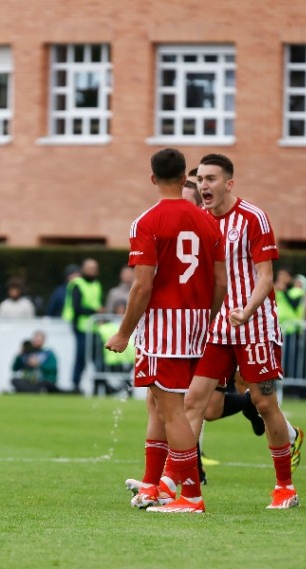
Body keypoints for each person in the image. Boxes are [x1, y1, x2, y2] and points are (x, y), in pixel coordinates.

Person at [178, 153, 301, 510]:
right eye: (200, 179)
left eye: (211, 179)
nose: (204, 186)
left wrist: (247, 311)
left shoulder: (253, 218)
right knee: (196, 402)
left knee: (264, 402)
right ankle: (186, 491)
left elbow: (266, 276)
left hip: (255, 324)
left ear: (228, 184)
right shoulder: (199, 219)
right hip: (217, 327)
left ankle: (285, 488)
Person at [107, 147, 224, 514]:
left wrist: (124, 333)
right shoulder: (207, 221)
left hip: (164, 324)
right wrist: (206, 317)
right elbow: (220, 281)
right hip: (194, 322)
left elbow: (142, 286)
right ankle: (152, 487)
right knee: (159, 406)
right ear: (184, 178)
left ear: (153, 178)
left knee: (172, 410)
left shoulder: (147, 222)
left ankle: (190, 496)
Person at [63, 258, 103, 393]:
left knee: (97, 357)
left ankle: (99, 385)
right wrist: (95, 312)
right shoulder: (77, 284)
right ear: (83, 269)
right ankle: (75, 384)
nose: (92, 270)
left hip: (94, 327)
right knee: (81, 357)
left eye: (94, 268)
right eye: (89, 268)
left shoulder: (97, 285)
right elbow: (77, 307)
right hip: (80, 326)